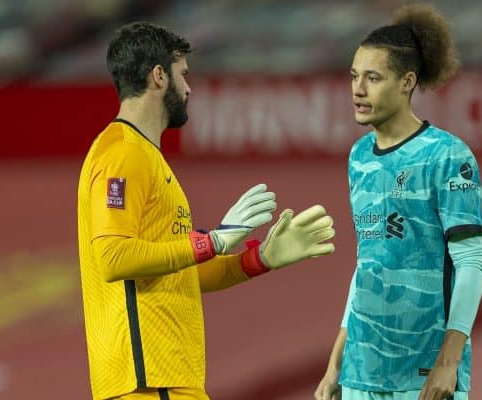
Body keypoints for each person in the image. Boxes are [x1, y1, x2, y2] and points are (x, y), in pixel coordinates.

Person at [77, 21, 335, 400]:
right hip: (147, 381)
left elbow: (179, 274)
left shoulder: (145, 157)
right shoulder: (122, 154)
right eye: (183, 75)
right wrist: (211, 241)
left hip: (167, 380)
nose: (189, 88)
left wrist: (259, 258)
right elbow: (113, 258)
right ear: (159, 76)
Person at [314, 4, 482, 400]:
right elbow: (367, 265)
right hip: (361, 373)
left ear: (407, 81)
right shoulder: (359, 158)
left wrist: (449, 363)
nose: (358, 89)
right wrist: (336, 363)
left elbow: (472, 264)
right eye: (355, 76)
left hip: (423, 375)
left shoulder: (447, 156)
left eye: (373, 78)